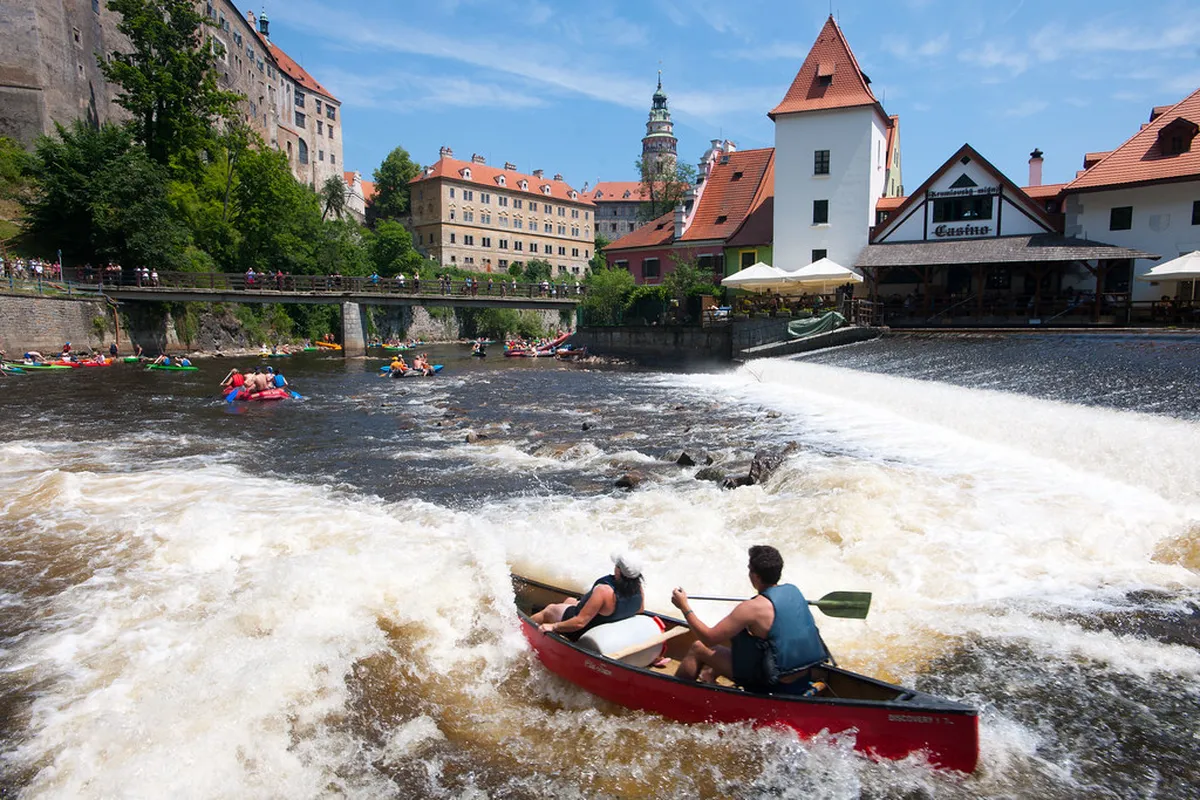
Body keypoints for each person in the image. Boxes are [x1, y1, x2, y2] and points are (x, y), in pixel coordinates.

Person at [670, 545, 828, 694]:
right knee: (736, 637)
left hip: (774, 682)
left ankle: (675, 696)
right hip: (804, 674)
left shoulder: (750, 608)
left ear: (755, 576)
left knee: (698, 648)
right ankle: (709, 675)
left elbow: (708, 639)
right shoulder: (794, 591)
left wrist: (684, 607)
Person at [534, 552, 645, 640]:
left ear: (618, 571)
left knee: (550, 610)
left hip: (585, 629)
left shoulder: (604, 591)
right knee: (570, 600)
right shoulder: (638, 587)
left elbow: (580, 622)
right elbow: (640, 610)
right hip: (605, 621)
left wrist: (553, 627)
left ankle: (524, 627)